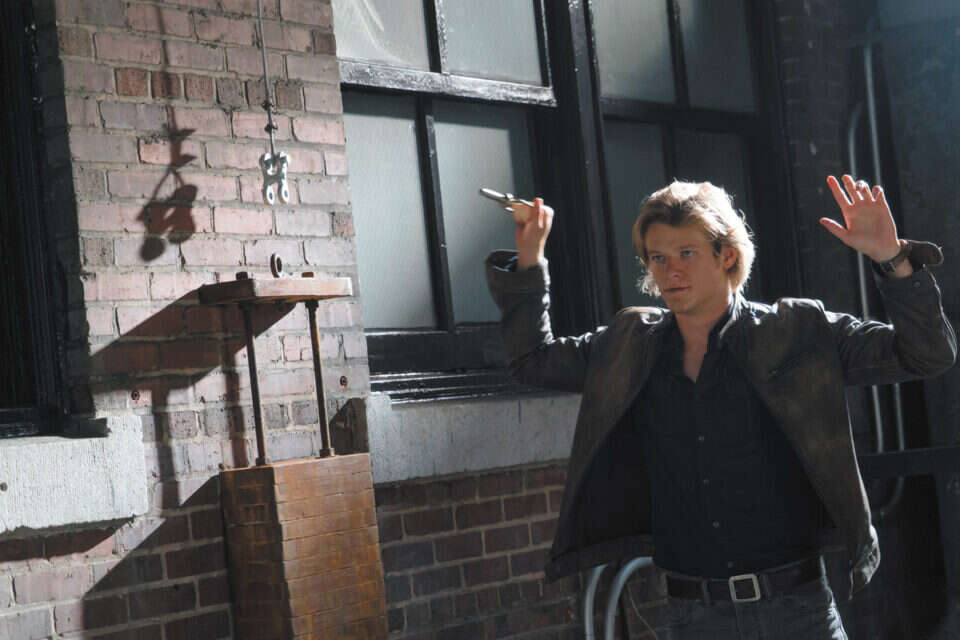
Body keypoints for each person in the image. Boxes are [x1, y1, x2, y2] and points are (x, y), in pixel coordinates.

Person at [484, 175, 956, 639]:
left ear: (726, 255)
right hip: (694, 618)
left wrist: (892, 259)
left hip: (800, 612)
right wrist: (531, 259)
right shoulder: (629, 346)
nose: (670, 271)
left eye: (686, 253)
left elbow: (927, 354)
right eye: (658, 257)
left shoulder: (796, 330)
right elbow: (533, 361)